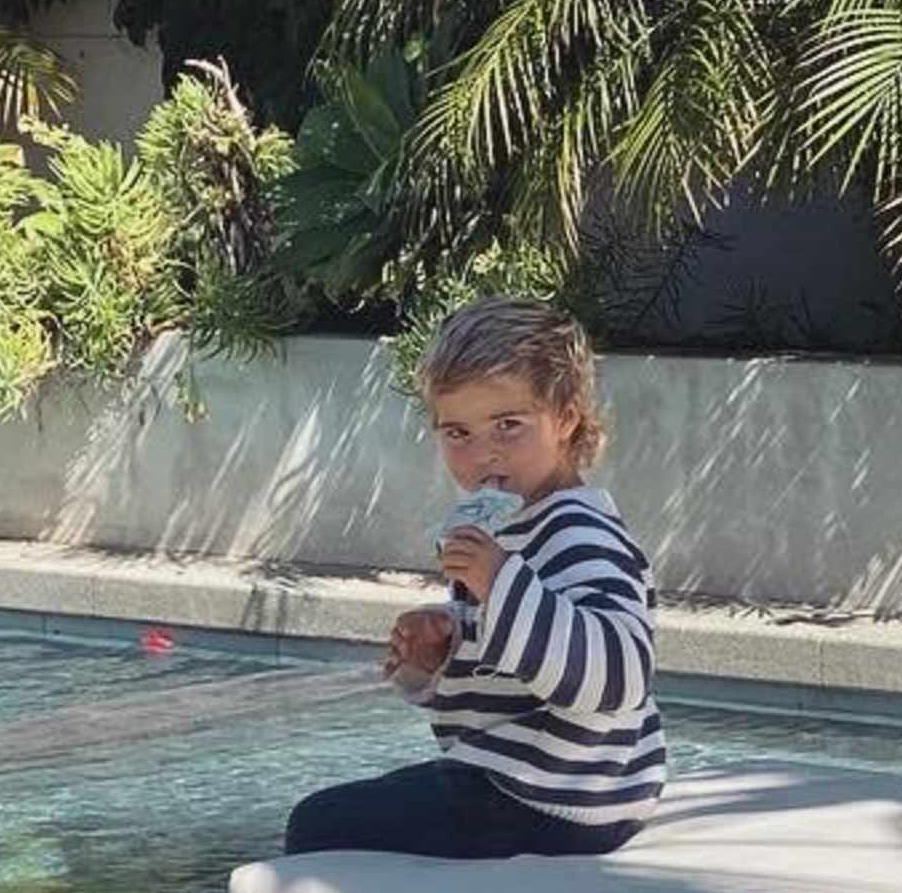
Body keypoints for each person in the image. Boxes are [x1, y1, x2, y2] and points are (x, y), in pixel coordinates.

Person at [280, 299, 666, 858]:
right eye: (457, 433)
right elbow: (507, 670)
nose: (483, 453)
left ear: (567, 417)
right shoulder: (513, 523)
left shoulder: (580, 530)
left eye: (508, 426)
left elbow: (618, 676)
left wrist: (500, 581)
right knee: (344, 813)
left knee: (318, 825)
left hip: (556, 798)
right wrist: (443, 648)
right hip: (522, 781)